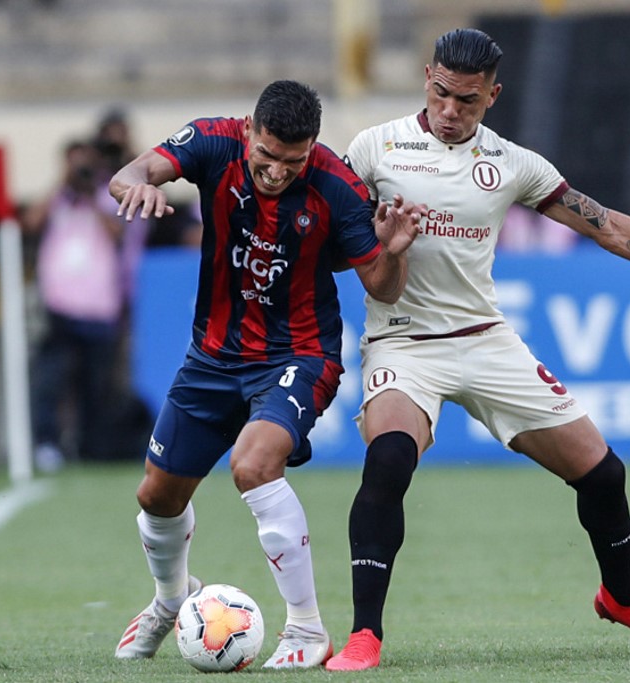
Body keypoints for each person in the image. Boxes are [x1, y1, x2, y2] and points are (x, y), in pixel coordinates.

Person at [324, 28, 630, 671]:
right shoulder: (373, 148)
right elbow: (327, 236)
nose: (449, 111)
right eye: (441, 94)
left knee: (603, 473)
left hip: (486, 340)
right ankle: (365, 635)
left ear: (492, 96)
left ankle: (624, 598)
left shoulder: (514, 164)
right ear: (425, 77)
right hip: (403, 342)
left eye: (466, 101)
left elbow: (606, 225)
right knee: (388, 460)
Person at [109, 80, 424, 669]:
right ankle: (172, 601)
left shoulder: (336, 186)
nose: (277, 172)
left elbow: (381, 285)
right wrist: (135, 187)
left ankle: (306, 628)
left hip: (299, 355)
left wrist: (396, 250)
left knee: (253, 464)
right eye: (268, 156)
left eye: (293, 161)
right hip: (211, 356)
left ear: (313, 149)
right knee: (156, 495)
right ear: (249, 131)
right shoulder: (211, 141)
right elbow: (134, 171)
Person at [22, 139, 125, 470]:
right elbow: (30, 223)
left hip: (99, 309)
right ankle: (47, 444)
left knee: (95, 385)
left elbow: (117, 234)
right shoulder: (56, 201)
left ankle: (91, 448)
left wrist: (94, 193)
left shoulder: (105, 200)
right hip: (59, 307)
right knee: (50, 380)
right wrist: (62, 183)